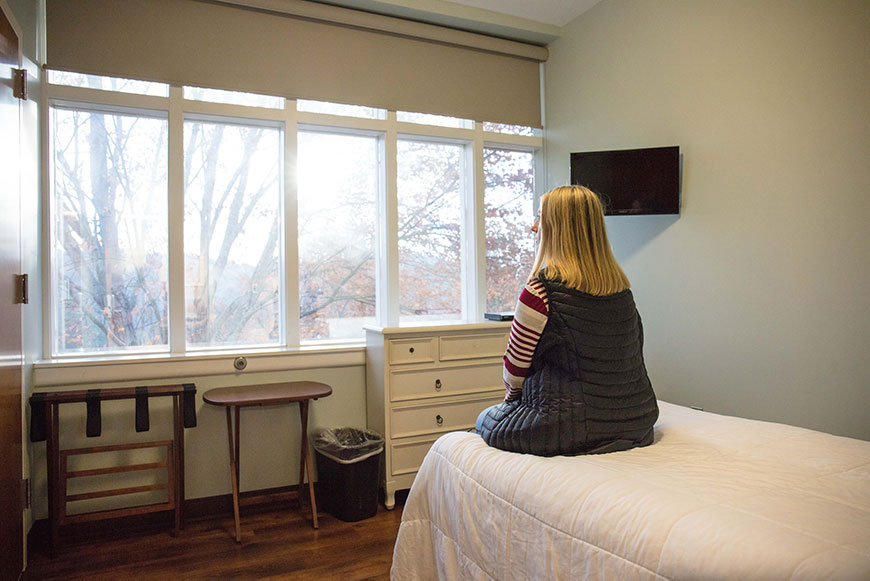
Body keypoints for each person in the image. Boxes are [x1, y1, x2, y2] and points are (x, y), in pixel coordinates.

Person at [475, 185, 659, 456]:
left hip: (566, 426)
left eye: (540, 218)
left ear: (556, 227)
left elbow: (514, 374)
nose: (534, 227)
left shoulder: (539, 293)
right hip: (635, 421)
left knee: (484, 420)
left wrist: (512, 405)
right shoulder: (622, 291)